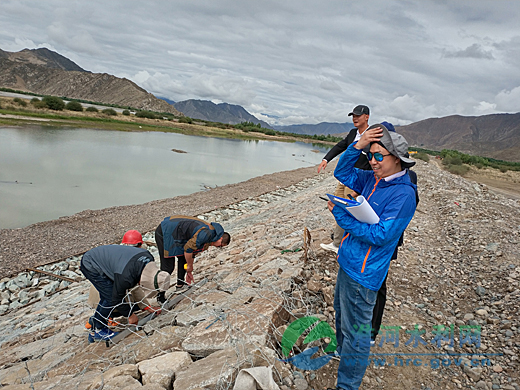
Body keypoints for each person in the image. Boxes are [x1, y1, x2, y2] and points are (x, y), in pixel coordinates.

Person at [328, 123, 418, 390]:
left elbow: (381, 235)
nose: (373, 161)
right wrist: (359, 144)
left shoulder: (403, 194)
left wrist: (341, 214)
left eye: (379, 156)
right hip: (348, 261)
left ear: (398, 159)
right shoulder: (372, 180)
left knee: (357, 334)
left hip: (364, 273)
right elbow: (341, 171)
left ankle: (347, 385)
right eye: (371, 155)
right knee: (342, 316)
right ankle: (340, 354)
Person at [80, 242, 170, 343]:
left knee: (108, 298)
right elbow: (116, 298)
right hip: (91, 263)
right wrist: (130, 315)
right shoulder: (126, 276)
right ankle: (99, 330)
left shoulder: (148, 258)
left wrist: (147, 307)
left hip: (109, 261)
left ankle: (95, 324)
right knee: (109, 297)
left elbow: (135, 284)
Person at [318, 105, 371, 253]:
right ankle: (338, 243)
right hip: (343, 180)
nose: (355, 118)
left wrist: (359, 188)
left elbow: (373, 164)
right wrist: (325, 159)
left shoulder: (371, 137)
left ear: (366, 117)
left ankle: (341, 244)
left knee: (349, 212)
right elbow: (339, 146)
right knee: (338, 208)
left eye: (358, 116)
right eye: (353, 116)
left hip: (355, 183)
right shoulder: (353, 133)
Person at [85, 230, 164, 330]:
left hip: (104, 287)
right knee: (115, 300)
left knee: (125, 302)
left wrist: (146, 307)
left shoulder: (121, 253)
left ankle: (98, 319)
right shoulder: (126, 266)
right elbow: (123, 292)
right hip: (101, 294)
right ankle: (99, 324)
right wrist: (131, 314)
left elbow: (133, 285)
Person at [155, 215, 231, 303]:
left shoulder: (211, 238)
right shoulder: (207, 234)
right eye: (220, 246)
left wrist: (189, 271)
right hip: (165, 231)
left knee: (183, 259)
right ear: (220, 238)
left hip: (178, 234)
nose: (218, 247)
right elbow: (188, 249)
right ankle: (160, 295)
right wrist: (190, 266)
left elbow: (192, 252)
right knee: (168, 267)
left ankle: (180, 285)